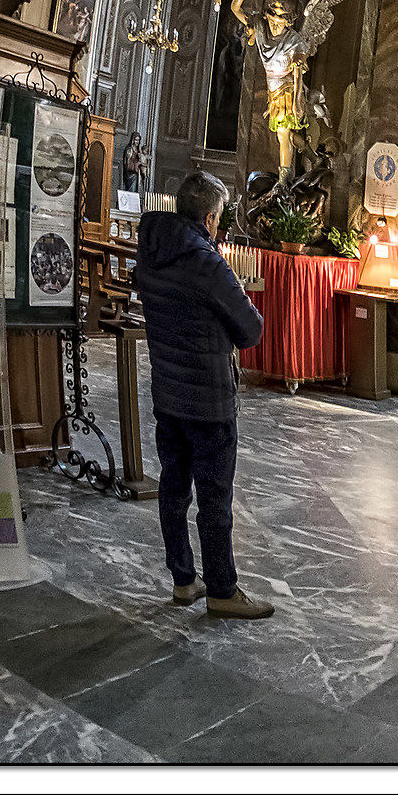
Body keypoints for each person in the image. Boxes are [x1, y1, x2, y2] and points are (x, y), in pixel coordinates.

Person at [135, 170, 271, 619]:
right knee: (215, 498)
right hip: (208, 400)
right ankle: (223, 589)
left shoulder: (152, 254)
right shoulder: (207, 262)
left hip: (168, 392)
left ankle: (183, 580)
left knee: (173, 488)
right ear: (211, 218)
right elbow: (250, 329)